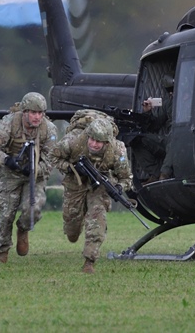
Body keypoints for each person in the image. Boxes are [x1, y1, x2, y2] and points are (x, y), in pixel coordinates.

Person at [50, 116, 132, 274]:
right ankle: (74, 228)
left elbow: (126, 178)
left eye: (98, 142)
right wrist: (71, 168)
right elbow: (53, 157)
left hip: (100, 185)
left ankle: (89, 261)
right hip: (75, 182)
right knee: (72, 227)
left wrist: (119, 187)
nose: (94, 144)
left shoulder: (117, 150)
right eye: (92, 139)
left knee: (97, 218)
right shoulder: (72, 142)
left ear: (106, 142)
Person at [0, 92, 56, 263]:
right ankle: (2, 251)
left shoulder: (49, 129)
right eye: (33, 113)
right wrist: (7, 160)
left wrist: (35, 170)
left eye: (40, 113)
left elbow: (51, 160)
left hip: (35, 175)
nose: (37, 117)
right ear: (24, 112)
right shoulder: (10, 123)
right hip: (10, 173)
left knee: (33, 208)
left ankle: (23, 229)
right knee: (6, 213)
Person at [137, 74, 173, 183]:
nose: (171, 93)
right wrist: (148, 112)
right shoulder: (169, 102)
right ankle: (156, 174)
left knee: (175, 139)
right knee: (137, 140)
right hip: (168, 140)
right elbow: (155, 125)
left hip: (185, 139)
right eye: (169, 91)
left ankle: (165, 175)